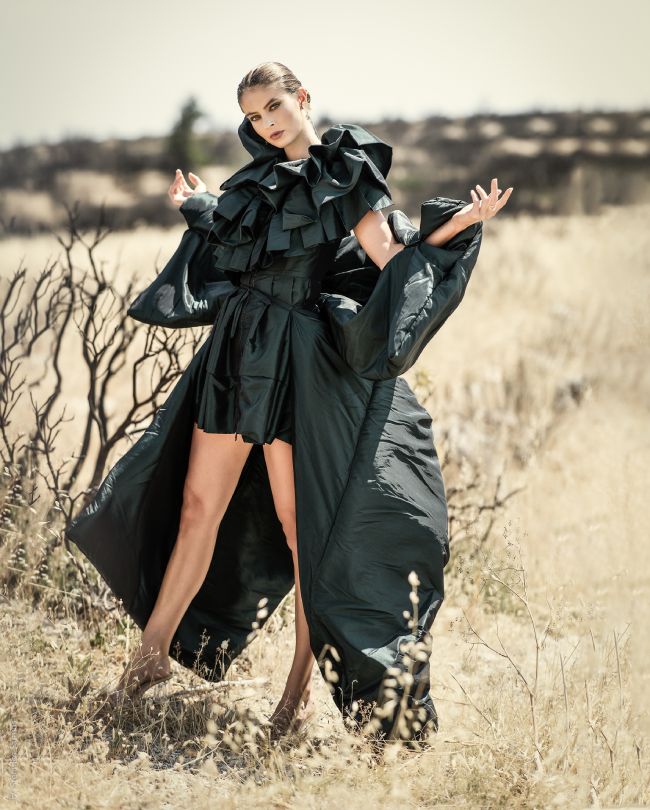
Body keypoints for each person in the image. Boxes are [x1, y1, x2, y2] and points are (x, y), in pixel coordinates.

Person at [66, 60, 512, 741]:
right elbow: (238, 247)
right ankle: (148, 661)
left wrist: (457, 229)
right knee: (194, 507)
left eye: (275, 106)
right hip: (238, 350)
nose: (267, 123)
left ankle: (295, 696)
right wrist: (197, 207)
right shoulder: (254, 183)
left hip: (296, 363)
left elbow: (390, 255)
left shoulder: (346, 171)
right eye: (253, 116)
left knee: (303, 531)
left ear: (303, 98)